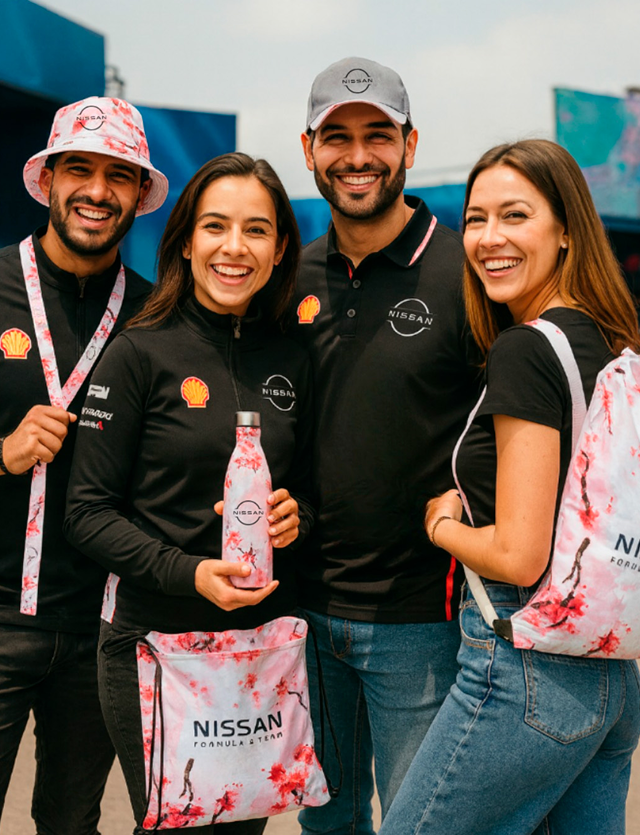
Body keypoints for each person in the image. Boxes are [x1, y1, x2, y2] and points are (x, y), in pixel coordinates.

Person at [379, 139, 640, 835]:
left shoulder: (525, 348)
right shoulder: (612, 342)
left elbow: (522, 553)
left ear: (565, 231)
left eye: (515, 215)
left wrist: (440, 525)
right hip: (611, 673)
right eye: (476, 218)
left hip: (527, 664)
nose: (489, 238)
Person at [64, 152, 315, 835]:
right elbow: (85, 513)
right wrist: (190, 572)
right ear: (185, 239)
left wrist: (298, 516)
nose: (235, 248)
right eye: (216, 226)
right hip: (156, 644)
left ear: (280, 246)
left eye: (256, 229)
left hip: (260, 650)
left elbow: (313, 492)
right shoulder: (139, 352)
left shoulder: (293, 354)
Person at [290, 57, 480, 834]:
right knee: (326, 821)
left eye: (378, 135)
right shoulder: (288, 275)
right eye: (338, 137)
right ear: (308, 151)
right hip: (302, 613)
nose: (357, 155)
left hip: (420, 620)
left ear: (409, 144)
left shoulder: (465, 269)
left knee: (418, 821)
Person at [0, 96, 167, 834]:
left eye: (118, 175)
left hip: (103, 631)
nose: (97, 190)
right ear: (49, 179)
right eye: (80, 169)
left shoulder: (159, 317)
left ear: (138, 193)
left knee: (71, 822)